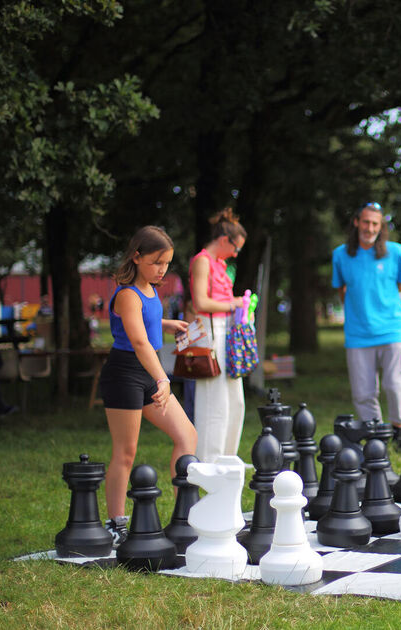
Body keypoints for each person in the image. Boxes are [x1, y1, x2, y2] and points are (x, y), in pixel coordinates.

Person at [100, 226, 197, 546]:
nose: (162, 270)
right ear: (136, 256)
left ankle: (184, 514)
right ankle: (116, 523)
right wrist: (163, 379)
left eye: (167, 264)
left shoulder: (150, 290)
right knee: (125, 452)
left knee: (187, 436)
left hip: (147, 372)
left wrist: (166, 324)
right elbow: (139, 342)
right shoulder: (127, 293)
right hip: (125, 373)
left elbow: (146, 322)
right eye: (157, 263)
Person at [332, 202, 401, 442]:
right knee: (363, 392)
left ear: (381, 227)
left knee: (394, 384)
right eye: (366, 222)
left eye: (375, 224)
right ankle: (375, 436)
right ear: (357, 222)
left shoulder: (396, 252)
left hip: (392, 330)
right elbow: (342, 289)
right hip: (357, 333)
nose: (370, 228)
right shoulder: (340, 255)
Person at [189, 208, 248, 463]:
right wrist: (233, 304)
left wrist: (238, 306)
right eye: (235, 248)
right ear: (225, 240)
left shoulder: (221, 265)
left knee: (235, 400)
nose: (235, 254)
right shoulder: (202, 260)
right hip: (211, 333)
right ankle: (209, 458)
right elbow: (200, 301)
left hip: (227, 332)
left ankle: (228, 456)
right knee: (214, 401)